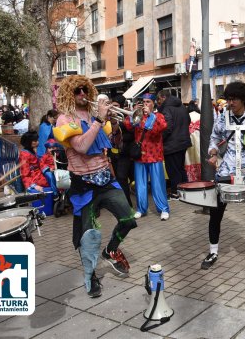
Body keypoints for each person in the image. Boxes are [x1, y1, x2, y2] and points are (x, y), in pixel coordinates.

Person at [55, 75, 137, 298]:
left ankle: (110, 251)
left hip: (106, 181)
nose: (82, 94)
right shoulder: (65, 119)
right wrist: (99, 120)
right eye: (77, 91)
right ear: (69, 94)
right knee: (89, 236)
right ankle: (90, 277)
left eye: (85, 90)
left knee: (129, 220)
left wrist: (113, 121)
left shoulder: (94, 116)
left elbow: (109, 146)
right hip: (84, 185)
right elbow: (81, 146)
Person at [202, 81, 245, 269]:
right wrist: (213, 153)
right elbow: (214, 139)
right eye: (228, 99)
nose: (230, 103)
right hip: (226, 171)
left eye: (234, 99)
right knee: (215, 214)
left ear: (243, 100)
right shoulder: (222, 118)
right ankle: (213, 251)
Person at [123, 93, 170, 220]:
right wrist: (132, 112)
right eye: (144, 102)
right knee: (140, 184)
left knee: (158, 184)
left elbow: (161, 128)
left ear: (153, 103)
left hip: (154, 155)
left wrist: (150, 115)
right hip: (140, 156)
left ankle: (163, 209)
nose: (145, 104)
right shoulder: (138, 115)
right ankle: (141, 209)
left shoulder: (158, 116)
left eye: (148, 102)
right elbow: (127, 125)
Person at [157, 89, 191, 200]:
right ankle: (185, 190)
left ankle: (176, 192)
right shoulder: (181, 106)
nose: (158, 103)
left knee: (173, 169)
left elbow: (167, 127)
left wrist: (159, 139)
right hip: (183, 142)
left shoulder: (166, 108)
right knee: (181, 167)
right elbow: (188, 120)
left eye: (158, 100)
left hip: (171, 144)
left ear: (163, 97)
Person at [110, 95, 135, 208]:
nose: (112, 108)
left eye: (115, 106)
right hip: (113, 153)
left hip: (125, 153)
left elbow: (132, 135)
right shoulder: (109, 117)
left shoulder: (127, 118)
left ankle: (128, 205)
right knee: (120, 179)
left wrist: (118, 135)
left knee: (122, 178)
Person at [185, 100, 202, 181]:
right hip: (199, 140)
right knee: (199, 156)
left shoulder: (186, 116)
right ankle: (201, 177)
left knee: (188, 158)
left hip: (188, 139)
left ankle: (191, 179)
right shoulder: (200, 116)